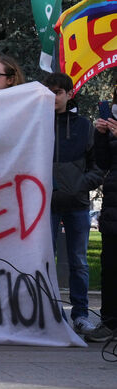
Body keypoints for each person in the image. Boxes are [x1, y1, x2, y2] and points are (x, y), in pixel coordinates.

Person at [43, 73, 102, 336]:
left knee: (78, 262)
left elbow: (98, 165)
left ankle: (80, 315)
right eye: (49, 92)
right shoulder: (36, 124)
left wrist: (80, 184)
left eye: (58, 92)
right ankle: (49, 314)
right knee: (45, 260)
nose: (54, 97)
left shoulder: (84, 126)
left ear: (69, 95)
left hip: (78, 205)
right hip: (46, 205)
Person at [89, 86, 117, 342]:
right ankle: (108, 322)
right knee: (110, 267)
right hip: (112, 209)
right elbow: (105, 162)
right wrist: (101, 136)